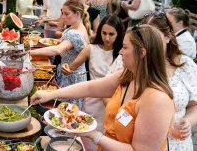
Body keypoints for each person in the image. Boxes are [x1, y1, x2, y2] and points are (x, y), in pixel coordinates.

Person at [32, 25, 175, 151]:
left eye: (125, 47)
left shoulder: (157, 100)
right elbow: (90, 88)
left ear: (142, 53)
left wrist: (93, 135)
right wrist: (50, 94)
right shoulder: (129, 76)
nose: (120, 52)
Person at [61, 15, 124, 151]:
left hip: (115, 103)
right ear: (99, 31)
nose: (107, 38)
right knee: (90, 139)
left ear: (119, 34)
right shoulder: (91, 49)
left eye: (111, 34)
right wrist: (66, 68)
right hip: (92, 101)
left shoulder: (124, 53)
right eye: (104, 33)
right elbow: (71, 68)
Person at [141, 12, 197, 150]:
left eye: (154, 37)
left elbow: (194, 105)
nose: (149, 42)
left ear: (168, 37)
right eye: (144, 37)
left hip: (179, 144)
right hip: (143, 143)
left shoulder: (186, 65)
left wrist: (187, 122)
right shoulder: (134, 61)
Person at [31, 0, 90, 109]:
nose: (63, 17)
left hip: (71, 76)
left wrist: (31, 52)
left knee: (67, 111)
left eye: (66, 14)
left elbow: (58, 50)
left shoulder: (75, 33)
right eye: (62, 13)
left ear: (77, 14)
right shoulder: (76, 28)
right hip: (73, 74)